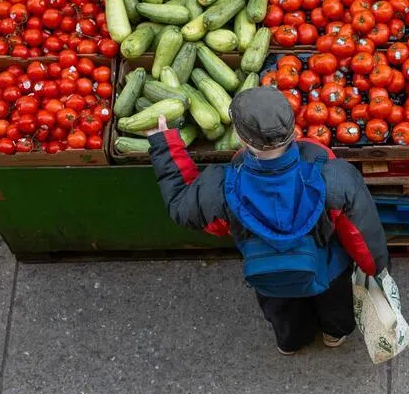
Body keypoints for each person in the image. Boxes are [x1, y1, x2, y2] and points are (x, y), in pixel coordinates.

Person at [146, 86, 389, 355]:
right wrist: (375, 268)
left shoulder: (221, 188)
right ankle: (334, 334)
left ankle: (290, 343)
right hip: (329, 269)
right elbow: (361, 231)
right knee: (335, 305)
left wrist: (165, 147)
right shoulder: (332, 175)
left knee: (283, 312)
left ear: (239, 136)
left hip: (269, 275)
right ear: (293, 125)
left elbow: (182, 205)